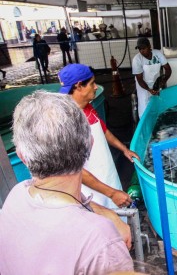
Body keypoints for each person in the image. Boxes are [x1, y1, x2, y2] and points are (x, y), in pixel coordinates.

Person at [0, 91, 133, 274]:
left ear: (22, 157)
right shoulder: (100, 240)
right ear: (90, 144)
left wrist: (108, 213)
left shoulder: (17, 195)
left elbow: (64, 203)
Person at [59, 64, 139, 209]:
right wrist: (112, 193)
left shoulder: (87, 106)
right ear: (78, 86)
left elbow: (103, 131)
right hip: (91, 190)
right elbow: (76, 170)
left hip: (106, 172)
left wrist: (124, 149)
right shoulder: (67, 120)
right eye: (92, 83)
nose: (96, 87)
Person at [132, 37, 172, 118]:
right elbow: (140, 80)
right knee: (144, 107)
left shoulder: (157, 54)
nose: (142, 51)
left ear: (149, 46)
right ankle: (145, 125)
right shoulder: (137, 60)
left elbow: (168, 69)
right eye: (140, 49)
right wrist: (149, 89)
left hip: (155, 83)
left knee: (157, 105)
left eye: (144, 48)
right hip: (143, 86)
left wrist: (163, 81)